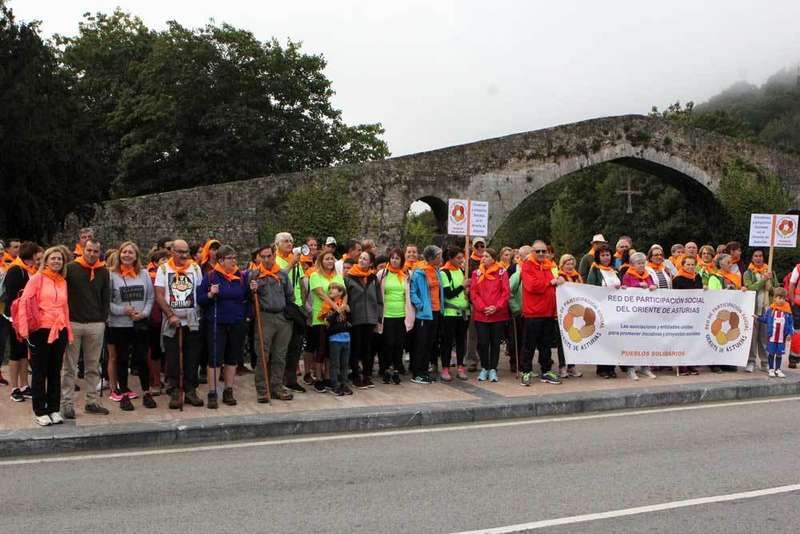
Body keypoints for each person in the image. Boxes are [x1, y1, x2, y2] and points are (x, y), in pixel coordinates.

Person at [14, 246, 72, 426]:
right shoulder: (37, 279)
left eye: (59, 259)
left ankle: (54, 408)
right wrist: (24, 332)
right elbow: (24, 305)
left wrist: (68, 330)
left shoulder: (62, 281)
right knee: (40, 372)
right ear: (45, 260)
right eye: (53, 258)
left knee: (55, 371)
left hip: (59, 330)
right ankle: (40, 410)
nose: (56, 261)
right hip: (40, 331)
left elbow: (65, 308)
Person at [62, 238, 110, 418]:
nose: (91, 254)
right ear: (83, 250)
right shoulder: (71, 268)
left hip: (95, 324)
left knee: (92, 366)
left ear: (99, 253)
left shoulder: (103, 271)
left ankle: (91, 401)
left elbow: (105, 297)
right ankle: (66, 403)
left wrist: (102, 319)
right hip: (73, 323)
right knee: (69, 366)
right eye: (89, 250)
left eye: (95, 251)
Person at [155, 239, 205, 409]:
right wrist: (170, 315)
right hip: (172, 319)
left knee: (193, 355)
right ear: (172, 252)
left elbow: (199, 292)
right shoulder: (163, 269)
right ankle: (175, 390)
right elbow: (160, 295)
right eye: (180, 252)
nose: (184, 255)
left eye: (186, 252)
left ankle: (191, 389)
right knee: (172, 355)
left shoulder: (195, 268)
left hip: (191, 319)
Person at [198, 244, 249, 408]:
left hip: (236, 322)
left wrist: (252, 292)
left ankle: (228, 390)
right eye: (230, 258)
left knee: (232, 358)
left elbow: (246, 297)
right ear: (220, 260)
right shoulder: (211, 276)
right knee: (214, 358)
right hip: (216, 323)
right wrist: (210, 294)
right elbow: (200, 299)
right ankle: (212, 392)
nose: (233, 261)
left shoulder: (240, 276)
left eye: (235, 258)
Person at [107, 241, 156, 410]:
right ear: (119, 254)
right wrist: (123, 311)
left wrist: (144, 313)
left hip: (140, 323)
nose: (127, 255)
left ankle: (146, 392)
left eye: (131, 252)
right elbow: (107, 303)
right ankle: (124, 394)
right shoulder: (112, 275)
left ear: (136, 256)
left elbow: (150, 297)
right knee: (121, 359)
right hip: (119, 324)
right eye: (124, 252)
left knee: (142, 358)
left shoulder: (143, 274)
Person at [248, 244, 295, 402]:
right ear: (259, 257)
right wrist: (252, 290)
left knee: (280, 355)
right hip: (264, 317)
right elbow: (248, 298)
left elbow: (290, 296)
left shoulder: (281, 274)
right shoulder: (254, 275)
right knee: (262, 354)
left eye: (269, 256)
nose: (267, 259)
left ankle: (277, 386)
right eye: (263, 256)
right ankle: (262, 389)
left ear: (274, 256)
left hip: (282, 318)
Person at [520, 240, 563, 386]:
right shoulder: (527, 265)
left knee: (546, 345)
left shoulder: (549, 266)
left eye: (543, 251)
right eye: (537, 251)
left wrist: (560, 281)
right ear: (532, 252)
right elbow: (532, 286)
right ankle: (525, 371)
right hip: (533, 313)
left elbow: (556, 282)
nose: (541, 254)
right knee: (529, 345)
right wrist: (550, 283)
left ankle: (546, 371)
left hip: (548, 312)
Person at [4, 242, 42, 402]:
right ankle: (14, 387)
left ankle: (25, 385)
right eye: (37, 255)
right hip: (16, 318)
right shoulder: (15, 270)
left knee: (24, 352)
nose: (38, 258)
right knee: (15, 353)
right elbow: (13, 298)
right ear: (31, 255)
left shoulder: (28, 270)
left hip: (27, 318)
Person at [308, 250, 346, 393]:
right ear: (321, 261)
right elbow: (321, 294)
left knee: (330, 351)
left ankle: (328, 376)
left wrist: (341, 308)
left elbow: (344, 293)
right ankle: (318, 378)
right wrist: (335, 306)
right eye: (327, 259)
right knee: (321, 350)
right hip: (321, 317)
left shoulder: (338, 276)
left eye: (332, 259)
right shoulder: (315, 275)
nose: (330, 261)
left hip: (335, 318)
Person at [274, 233, 307, 393]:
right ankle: (277, 380)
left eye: (291, 241)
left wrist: (304, 304)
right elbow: (276, 279)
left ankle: (291, 379)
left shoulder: (296, 261)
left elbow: (301, 283)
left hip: (297, 307)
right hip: (283, 307)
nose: (290, 243)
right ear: (277, 244)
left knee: (296, 345)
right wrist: (291, 264)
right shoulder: (274, 260)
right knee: (281, 346)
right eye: (286, 241)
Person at [470, 248, 509, 382]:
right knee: (482, 342)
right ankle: (484, 367)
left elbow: (505, 292)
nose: (483, 258)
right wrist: (483, 307)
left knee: (495, 343)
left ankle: (493, 368)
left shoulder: (501, 272)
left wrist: (496, 307)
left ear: (493, 258)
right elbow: (474, 293)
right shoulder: (476, 273)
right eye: (483, 256)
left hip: (498, 315)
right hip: (482, 315)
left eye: (487, 256)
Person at [345, 251, 382, 388]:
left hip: (370, 318)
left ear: (370, 263)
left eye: (365, 259)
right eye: (360, 258)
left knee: (368, 349)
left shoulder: (373, 278)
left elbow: (379, 300)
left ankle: (366, 375)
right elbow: (346, 298)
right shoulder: (349, 277)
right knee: (356, 348)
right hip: (355, 318)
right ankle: (355, 375)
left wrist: (378, 317)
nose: (361, 260)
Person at [409, 245, 444, 384]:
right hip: (424, 314)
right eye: (439, 256)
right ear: (432, 258)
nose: (441, 258)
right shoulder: (419, 272)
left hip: (435, 312)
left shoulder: (437, 271)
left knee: (429, 343)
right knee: (421, 344)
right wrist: (420, 305)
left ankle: (424, 371)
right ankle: (417, 373)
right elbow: (413, 292)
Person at [707, 253, 747, 373]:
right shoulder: (714, 277)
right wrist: (726, 291)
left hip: (731, 310)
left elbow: (739, 291)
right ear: (721, 263)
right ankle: (714, 362)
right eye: (728, 262)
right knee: (716, 334)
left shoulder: (735, 277)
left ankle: (726, 361)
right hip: (718, 311)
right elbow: (713, 294)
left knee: (728, 334)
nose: (731, 265)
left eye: (731, 262)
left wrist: (742, 290)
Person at [621, 252, 657, 380]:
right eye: (639, 263)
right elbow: (625, 290)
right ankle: (630, 368)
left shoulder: (648, 275)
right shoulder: (627, 275)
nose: (641, 265)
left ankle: (645, 367)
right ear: (632, 264)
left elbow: (653, 286)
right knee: (631, 341)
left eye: (643, 263)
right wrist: (637, 285)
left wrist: (653, 286)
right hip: (632, 315)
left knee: (646, 340)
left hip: (647, 314)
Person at [587, 244, 621, 378]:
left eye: (607, 255)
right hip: (601, 309)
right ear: (598, 257)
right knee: (602, 339)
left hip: (615, 310)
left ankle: (611, 367)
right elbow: (591, 288)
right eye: (602, 255)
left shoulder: (615, 270)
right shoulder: (595, 270)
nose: (606, 257)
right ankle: (602, 368)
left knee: (613, 338)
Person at [378, 248, 412, 384]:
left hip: (401, 315)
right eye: (392, 258)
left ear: (401, 260)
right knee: (388, 344)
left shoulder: (405, 276)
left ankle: (397, 370)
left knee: (399, 345)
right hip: (387, 315)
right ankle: (386, 369)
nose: (394, 260)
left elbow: (407, 296)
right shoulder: (382, 274)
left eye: (397, 258)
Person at [440, 247, 469, 381]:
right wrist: (462, 286)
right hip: (450, 312)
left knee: (461, 341)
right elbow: (448, 294)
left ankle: (461, 366)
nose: (461, 260)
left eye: (461, 257)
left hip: (463, 312)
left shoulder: (462, 271)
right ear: (450, 258)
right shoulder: (444, 272)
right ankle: (445, 368)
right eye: (458, 258)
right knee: (447, 341)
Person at [744, 249, 774, 373]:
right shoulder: (748, 273)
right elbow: (750, 288)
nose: (758, 258)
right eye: (755, 256)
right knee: (752, 338)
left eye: (760, 256)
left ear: (764, 257)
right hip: (753, 310)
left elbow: (776, 290)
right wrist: (763, 280)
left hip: (767, 310)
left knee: (764, 338)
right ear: (752, 258)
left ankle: (765, 362)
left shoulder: (770, 271)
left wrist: (771, 286)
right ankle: (751, 361)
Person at [319, 283, 352, 395]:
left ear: (341, 292)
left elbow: (351, 321)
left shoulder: (345, 304)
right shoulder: (327, 306)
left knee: (345, 364)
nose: (331, 291)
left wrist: (348, 311)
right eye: (330, 289)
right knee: (335, 364)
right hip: (334, 339)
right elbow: (327, 323)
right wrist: (336, 311)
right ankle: (335, 385)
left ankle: (344, 384)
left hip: (346, 338)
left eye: (334, 289)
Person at [673, 256, 703, 375]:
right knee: (682, 340)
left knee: (692, 339)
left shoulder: (698, 277)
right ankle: (682, 365)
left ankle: (691, 364)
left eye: (692, 264)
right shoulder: (678, 278)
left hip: (695, 313)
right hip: (682, 313)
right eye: (688, 265)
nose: (690, 267)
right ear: (683, 265)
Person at [755, 288, 793, 378]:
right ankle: (771, 369)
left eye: (783, 298)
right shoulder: (770, 310)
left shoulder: (787, 312)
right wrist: (757, 317)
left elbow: (791, 324)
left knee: (779, 354)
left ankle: (778, 369)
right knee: (771, 353)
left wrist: (789, 334)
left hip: (781, 338)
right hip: (772, 337)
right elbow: (765, 319)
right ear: (775, 298)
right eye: (779, 298)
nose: (781, 300)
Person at [555, 254, 583, 378]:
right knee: (563, 342)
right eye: (567, 264)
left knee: (574, 339)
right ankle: (562, 366)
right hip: (562, 315)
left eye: (572, 264)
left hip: (575, 314)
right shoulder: (559, 277)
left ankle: (572, 366)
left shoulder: (577, 277)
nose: (570, 266)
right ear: (562, 265)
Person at [508, 245, 532, 375]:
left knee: (528, 340)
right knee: (516, 340)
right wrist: (516, 309)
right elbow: (509, 292)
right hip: (519, 312)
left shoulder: (534, 271)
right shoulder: (517, 273)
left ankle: (525, 364)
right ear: (521, 258)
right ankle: (516, 363)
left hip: (532, 312)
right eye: (527, 257)